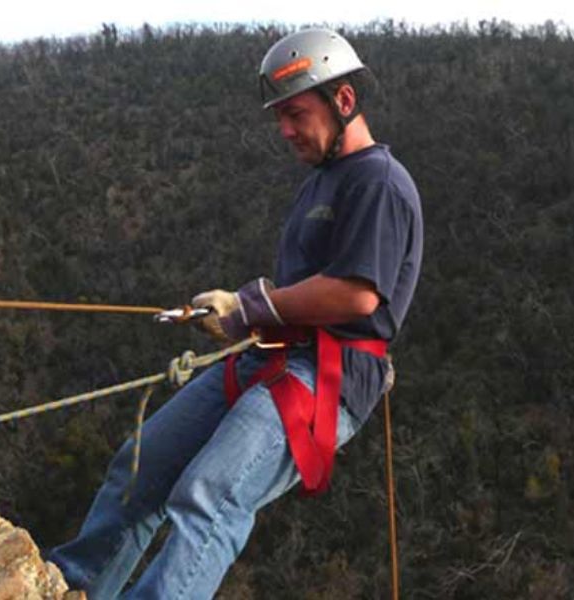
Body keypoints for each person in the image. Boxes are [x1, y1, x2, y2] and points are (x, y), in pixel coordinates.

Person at [48, 28, 423, 599]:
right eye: (280, 116)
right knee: (141, 467)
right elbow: (307, 286)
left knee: (209, 496)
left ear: (343, 102)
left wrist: (251, 306)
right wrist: (244, 309)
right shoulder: (322, 181)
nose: (285, 130)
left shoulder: (379, 183)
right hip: (273, 353)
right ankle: (75, 585)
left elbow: (356, 294)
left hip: (326, 376)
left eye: (296, 113)